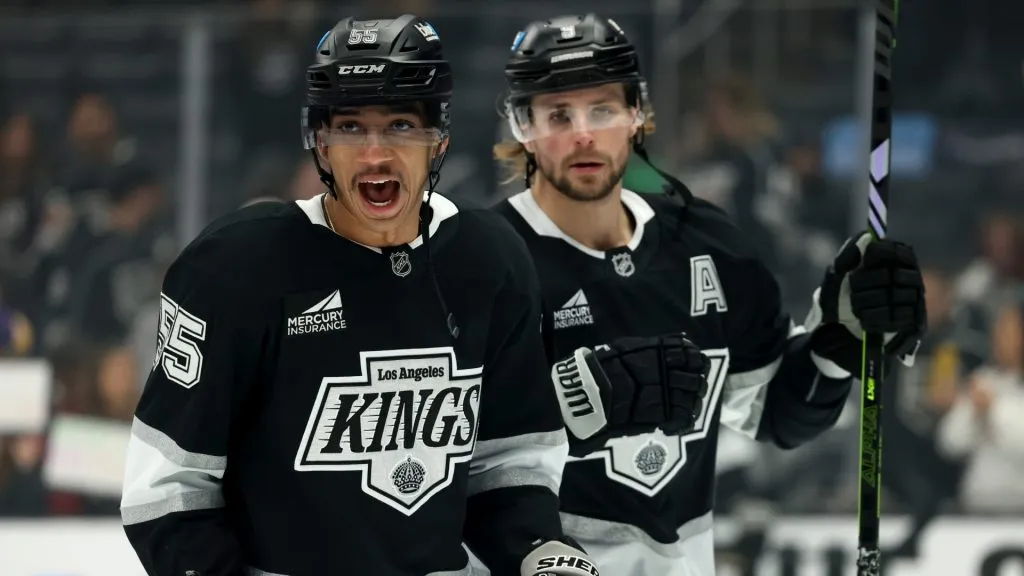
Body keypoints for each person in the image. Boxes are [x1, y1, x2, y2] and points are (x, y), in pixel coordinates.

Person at [120, 15, 602, 576]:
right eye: (350, 128)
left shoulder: (488, 259)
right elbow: (168, 487)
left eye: (399, 125)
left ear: (438, 140)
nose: (375, 154)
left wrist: (537, 551)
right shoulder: (235, 269)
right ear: (318, 143)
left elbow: (509, 463)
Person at [489, 13, 927, 576]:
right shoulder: (481, 263)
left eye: (602, 109)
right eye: (557, 114)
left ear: (637, 115)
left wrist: (837, 345)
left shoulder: (709, 245)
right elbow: (446, 462)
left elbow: (776, 415)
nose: (582, 133)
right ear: (523, 126)